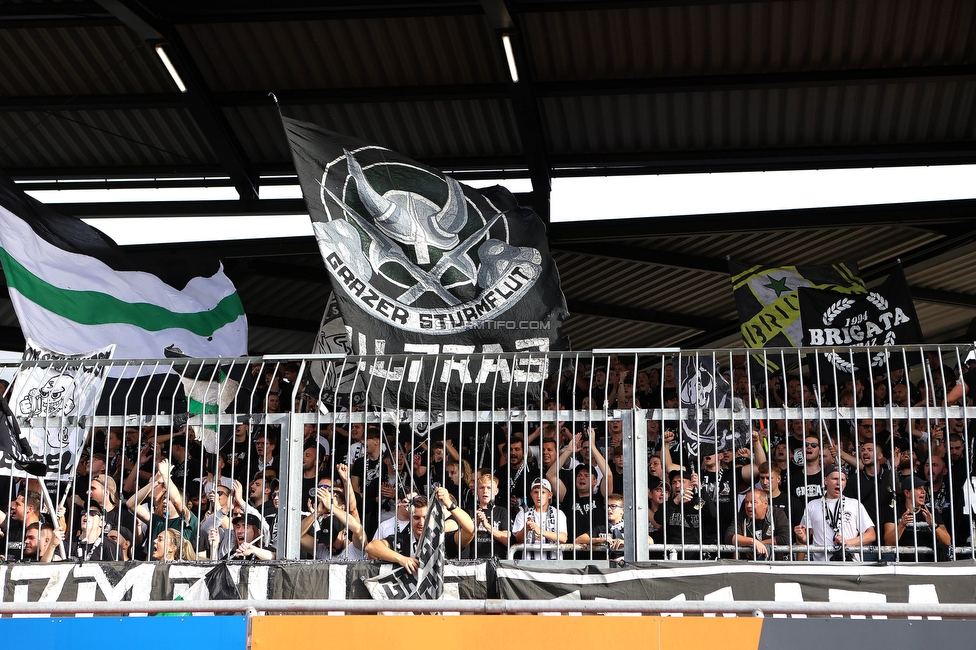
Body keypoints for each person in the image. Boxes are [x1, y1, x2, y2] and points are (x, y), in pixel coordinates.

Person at [364, 488, 475, 572]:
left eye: (425, 518)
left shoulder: (443, 539)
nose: (421, 523)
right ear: (410, 519)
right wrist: (402, 559)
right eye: (416, 518)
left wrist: (449, 504)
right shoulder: (403, 539)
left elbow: (470, 530)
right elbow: (371, 547)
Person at [794, 465, 876, 561]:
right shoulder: (812, 505)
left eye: (842, 480)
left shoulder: (854, 504)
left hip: (850, 564)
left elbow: (871, 535)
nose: (838, 483)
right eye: (835, 478)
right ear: (825, 481)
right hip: (822, 566)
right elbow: (805, 540)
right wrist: (801, 537)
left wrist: (847, 542)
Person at [882, 473, 951, 562]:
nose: (923, 491)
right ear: (907, 493)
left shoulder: (931, 512)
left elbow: (947, 541)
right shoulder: (894, 511)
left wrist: (933, 524)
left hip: (929, 563)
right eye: (918, 488)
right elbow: (888, 542)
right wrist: (902, 525)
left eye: (924, 488)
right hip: (903, 563)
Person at [512, 478, 568, 559]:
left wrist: (539, 531)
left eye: (543, 492)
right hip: (529, 565)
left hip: (554, 566)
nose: (539, 496)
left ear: (550, 495)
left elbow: (563, 538)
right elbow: (518, 539)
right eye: (536, 492)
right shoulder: (523, 514)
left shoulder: (558, 514)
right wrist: (526, 529)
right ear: (531, 494)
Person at [725, 489, 790, 560]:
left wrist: (758, 544)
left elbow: (785, 538)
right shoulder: (741, 517)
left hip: (773, 566)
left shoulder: (777, 514)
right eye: (746, 502)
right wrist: (753, 542)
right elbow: (730, 537)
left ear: (765, 504)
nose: (748, 505)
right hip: (748, 566)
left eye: (753, 502)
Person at [465, 473, 509, 559]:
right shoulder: (469, 511)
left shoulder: (502, 511)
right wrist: (475, 525)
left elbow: (507, 540)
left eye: (489, 488)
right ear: (477, 491)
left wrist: (487, 525)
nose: (485, 491)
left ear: (496, 491)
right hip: (473, 561)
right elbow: (461, 540)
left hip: (496, 562)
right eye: (481, 488)